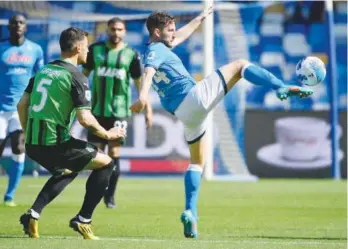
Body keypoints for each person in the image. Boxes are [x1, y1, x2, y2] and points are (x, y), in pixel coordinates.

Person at [130, 7, 313, 239]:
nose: (175, 33)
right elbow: (148, 72)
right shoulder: (156, 52)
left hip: (184, 113)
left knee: (197, 162)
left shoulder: (158, 47)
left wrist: (198, 18)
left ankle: (191, 212)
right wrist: (143, 96)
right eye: (170, 29)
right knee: (239, 65)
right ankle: (280, 87)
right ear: (156, 32)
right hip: (193, 97)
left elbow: (180, 37)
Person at [17, 27, 126, 240]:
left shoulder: (44, 70)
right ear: (78, 48)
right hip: (55, 142)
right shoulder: (77, 76)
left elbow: (22, 103)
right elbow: (85, 119)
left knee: (68, 168)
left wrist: (27, 130)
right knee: (107, 163)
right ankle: (83, 220)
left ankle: (33, 214)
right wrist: (107, 134)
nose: (88, 52)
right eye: (86, 47)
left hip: (33, 144)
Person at [0, 14, 44, 207]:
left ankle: (9, 195)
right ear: (8, 26)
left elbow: (41, 76)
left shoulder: (36, 50)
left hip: (21, 107)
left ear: (26, 27)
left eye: (21, 23)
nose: (18, 25)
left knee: (19, 147)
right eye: (14, 22)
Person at [83, 17, 153, 209]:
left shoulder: (131, 54)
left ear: (125, 32)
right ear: (107, 29)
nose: (116, 33)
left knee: (114, 153)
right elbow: (81, 77)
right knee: (96, 156)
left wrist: (148, 110)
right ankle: (94, 194)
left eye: (120, 29)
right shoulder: (95, 50)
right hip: (96, 112)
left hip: (119, 112)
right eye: (113, 29)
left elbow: (141, 87)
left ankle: (110, 196)